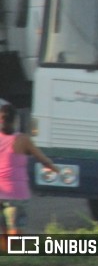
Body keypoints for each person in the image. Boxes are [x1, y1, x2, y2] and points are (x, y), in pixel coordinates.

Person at [0, 100, 59, 237]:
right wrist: (56, 169)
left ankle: (5, 255)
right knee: (15, 229)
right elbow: (42, 159)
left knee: (3, 230)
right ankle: (13, 254)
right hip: (17, 193)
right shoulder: (23, 140)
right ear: (15, 121)